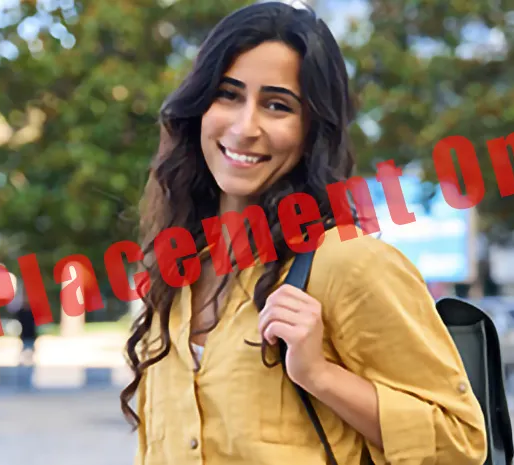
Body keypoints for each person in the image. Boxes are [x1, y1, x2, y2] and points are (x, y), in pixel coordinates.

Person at [119, 3, 487, 464]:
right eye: (227, 94)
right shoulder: (175, 271)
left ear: (313, 130)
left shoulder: (347, 263)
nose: (244, 126)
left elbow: (461, 445)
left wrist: (320, 375)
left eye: (277, 105)